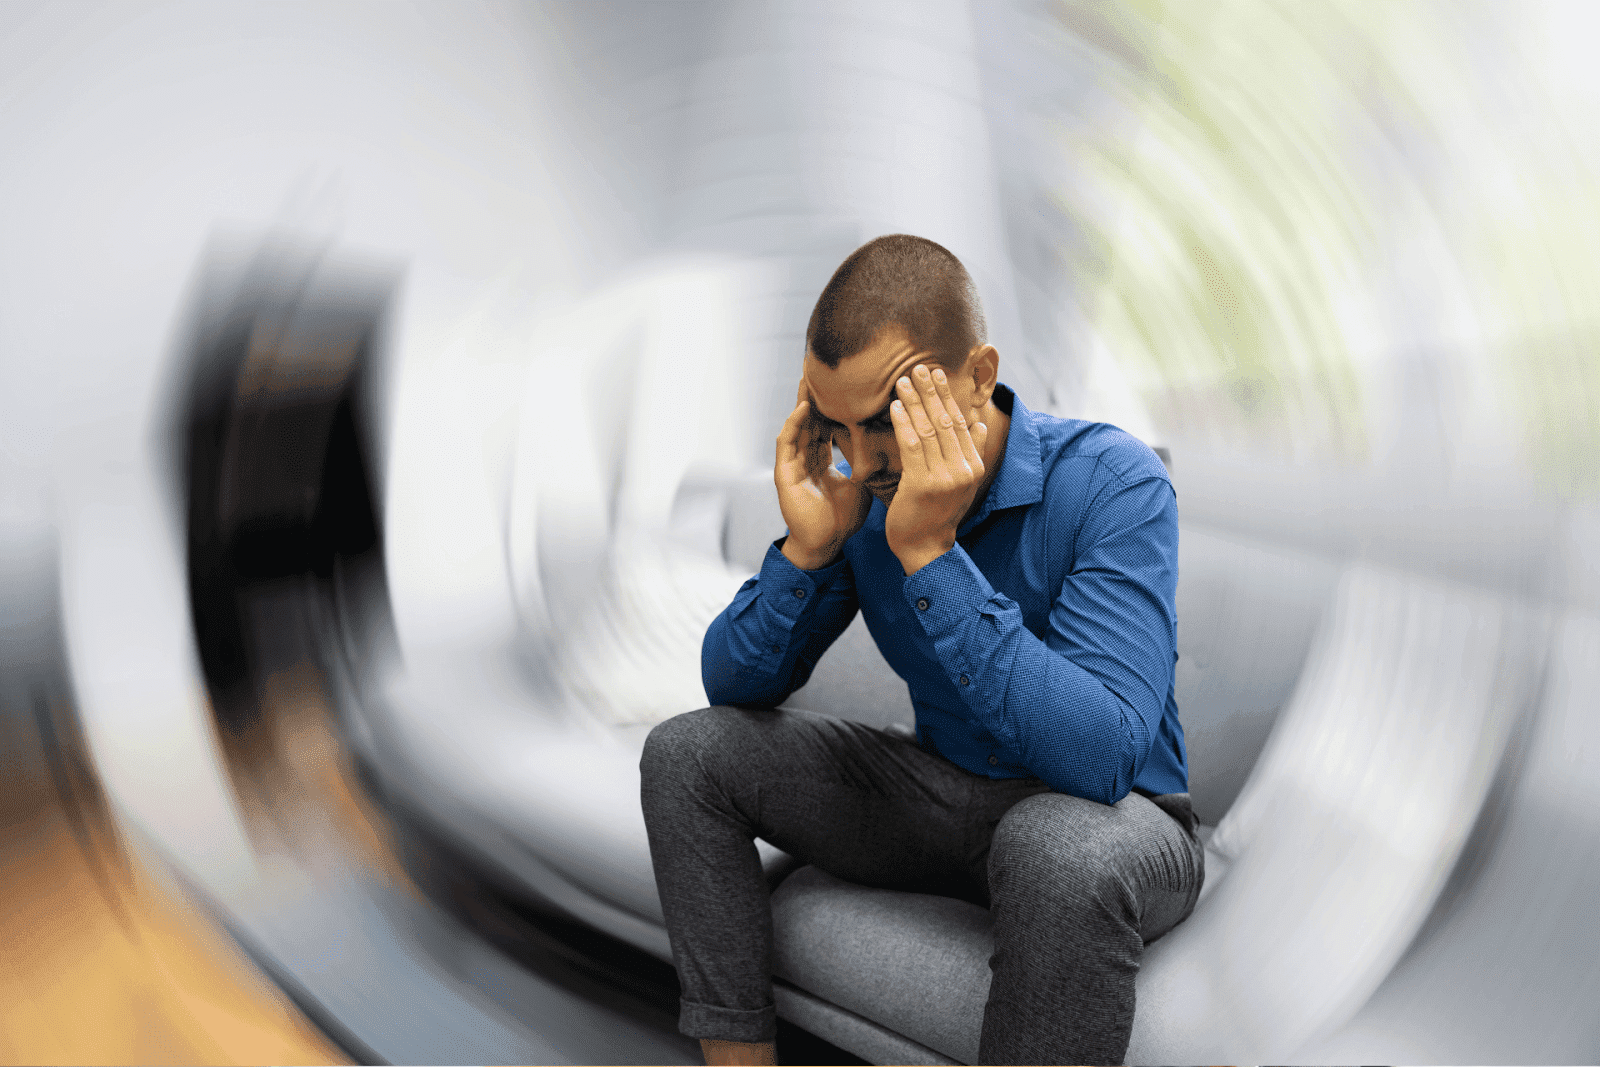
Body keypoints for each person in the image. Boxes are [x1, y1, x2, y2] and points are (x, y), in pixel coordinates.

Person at [640, 234, 1202, 1066]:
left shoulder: (1113, 482)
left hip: (1118, 823)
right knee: (686, 754)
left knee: (1055, 847)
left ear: (978, 376)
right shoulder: (861, 493)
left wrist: (932, 553)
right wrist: (808, 548)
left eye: (885, 421)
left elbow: (1104, 757)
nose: (862, 459)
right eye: (834, 425)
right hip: (942, 794)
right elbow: (733, 684)